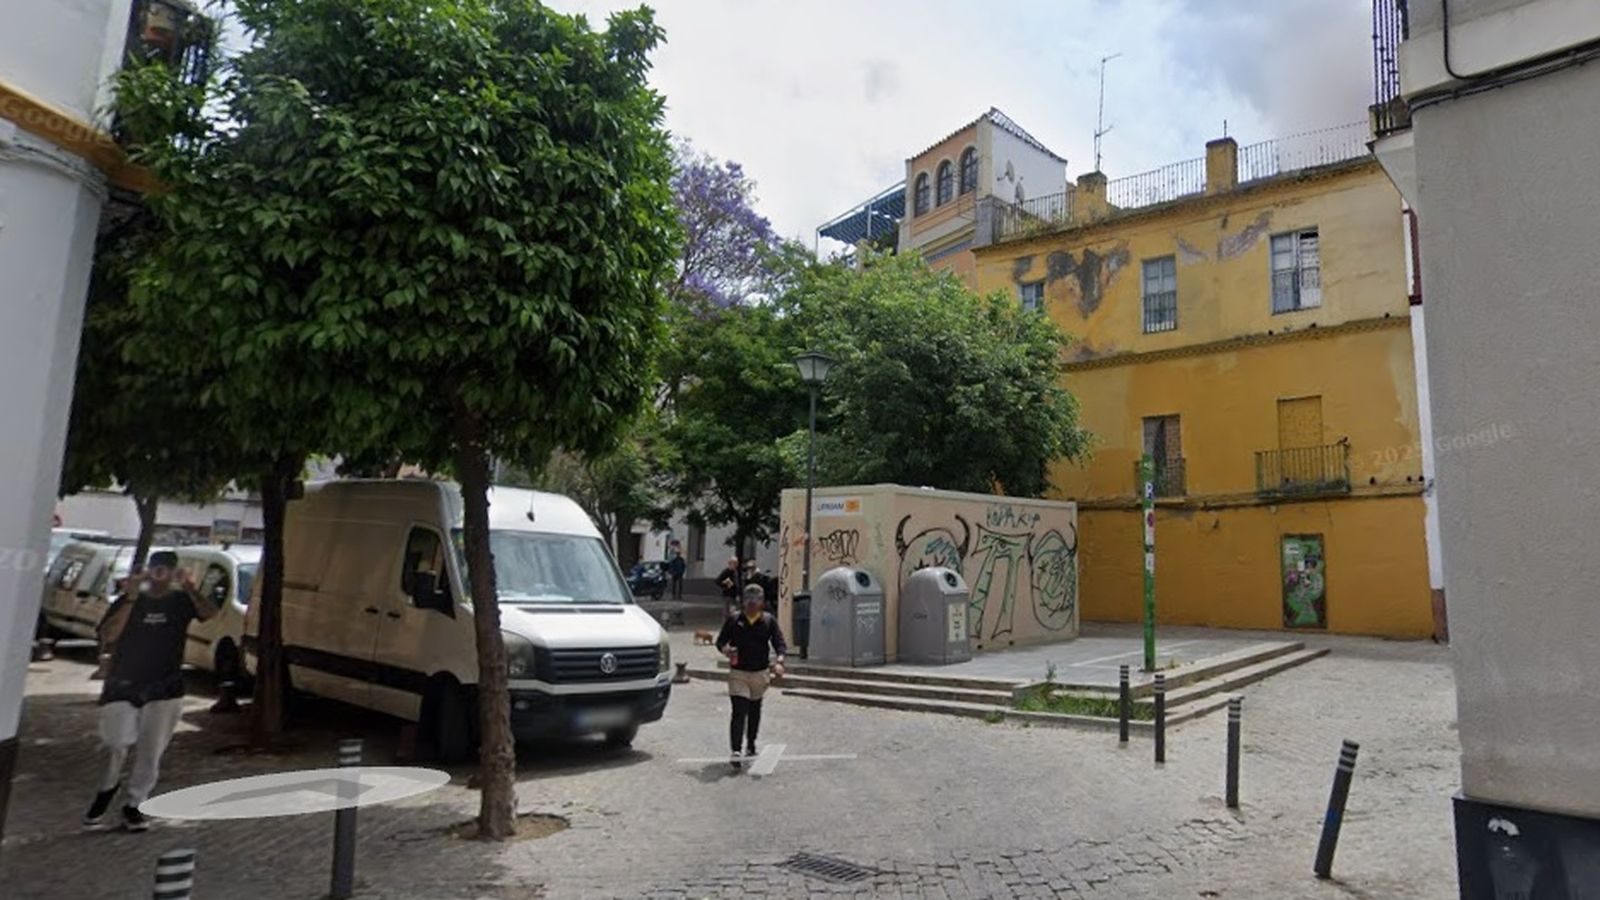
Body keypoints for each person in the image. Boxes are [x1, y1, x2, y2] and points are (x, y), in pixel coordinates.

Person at [84, 550, 218, 832]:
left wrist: (192, 588)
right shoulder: (131, 600)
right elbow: (108, 634)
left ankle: (135, 805)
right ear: (148, 570)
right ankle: (109, 785)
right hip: (123, 683)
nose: (160, 574)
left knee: (151, 750)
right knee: (116, 741)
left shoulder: (181, 601)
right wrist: (131, 596)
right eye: (156, 568)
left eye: (166, 569)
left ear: (174, 573)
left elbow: (209, 614)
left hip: (165, 686)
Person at [715, 584, 787, 767]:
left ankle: (751, 742)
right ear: (744, 603)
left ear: (761, 603)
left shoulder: (768, 621)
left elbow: (780, 644)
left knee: (754, 709)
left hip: (760, 673)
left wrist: (779, 661)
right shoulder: (734, 620)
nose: (752, 606)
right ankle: (736, 750)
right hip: (739, 672)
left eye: (755, 602)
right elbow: (721, 641)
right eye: (749, 602)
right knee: (739, 710)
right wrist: (726, 650)